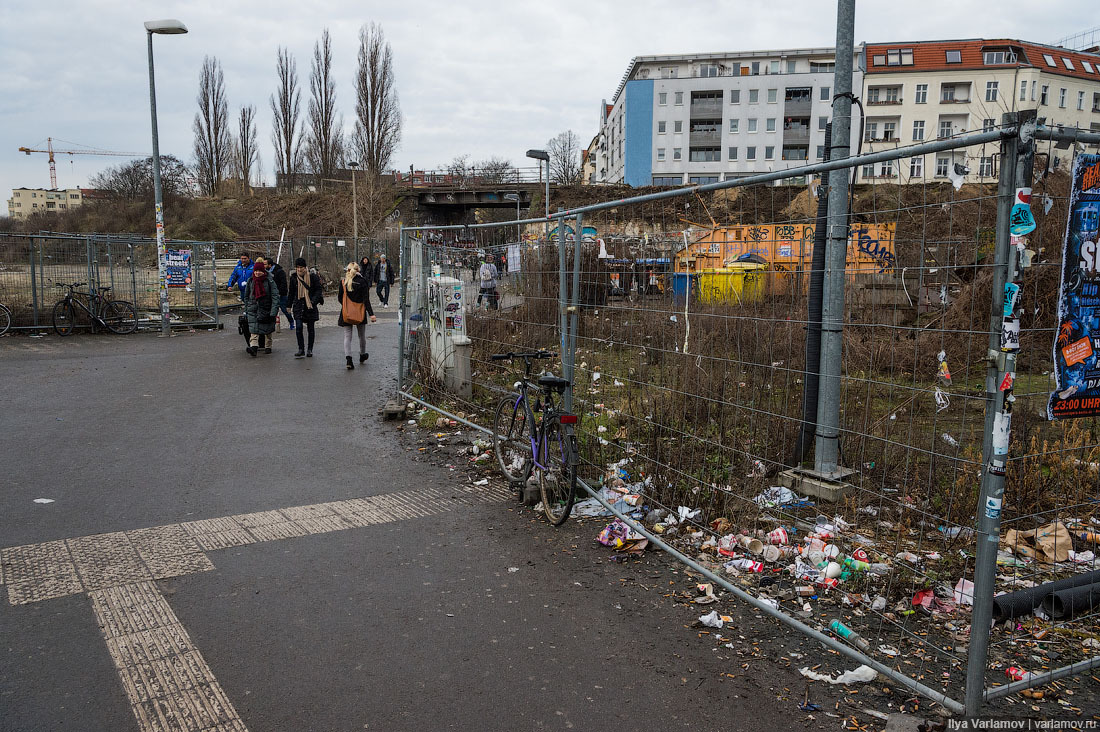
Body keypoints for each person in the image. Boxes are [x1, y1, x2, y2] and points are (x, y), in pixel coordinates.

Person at [337, 261, 376, 369]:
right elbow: (366, 300)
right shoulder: (362, 281)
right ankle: (362, 355)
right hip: (360, 312)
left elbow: (340, 298)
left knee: (347, 336)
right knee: (361, 335)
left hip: (346, 313)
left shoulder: (343, 282)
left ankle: (349, 360)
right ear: (358, 270)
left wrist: (347, 306)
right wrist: (371, 314)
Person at [288, 257, 323, 358]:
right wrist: (289, 305)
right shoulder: (294, 278)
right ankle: (301, 348)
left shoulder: (313, 277)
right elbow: (291, 292)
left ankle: (310, 349)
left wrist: (313, 301)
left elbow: (318, 290)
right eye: (297, 267)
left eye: (301, 267)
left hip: (310, 305)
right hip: (298, 305)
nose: (299, 269)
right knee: (298, 327)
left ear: (305, 267)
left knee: (310, 328)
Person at [244, 260, 279, 357]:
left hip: (266, 308)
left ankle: (268, 346)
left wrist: (273, 311)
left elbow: (275, 296)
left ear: (263, 271)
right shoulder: (251, 281)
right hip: (253, 309)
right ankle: (253, 347)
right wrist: (248, 306)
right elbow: (246, 296)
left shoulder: (269, 281)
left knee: (267, 330)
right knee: (254, 330)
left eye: (259, 271)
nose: (257, 273)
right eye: (256, 271)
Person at [267, 258, 293, 330]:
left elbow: (283, 284)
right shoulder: (266, 272)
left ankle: (291, 321)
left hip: (281, 294)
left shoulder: (279, 272)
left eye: (265, 264)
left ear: (269, 265)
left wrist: (279, 292)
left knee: (285, 309)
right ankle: (272, 325)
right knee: (272, 310)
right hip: (271, 295)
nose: (263, 265)